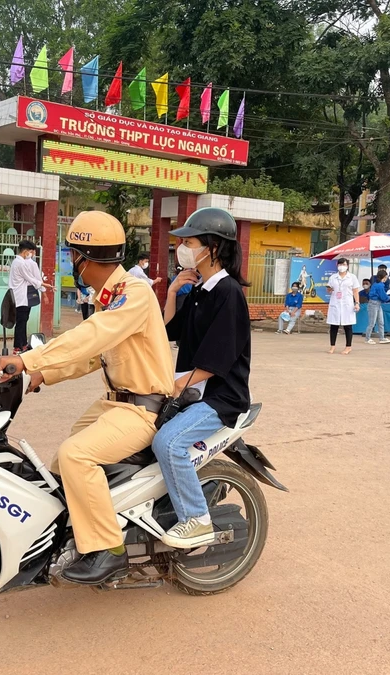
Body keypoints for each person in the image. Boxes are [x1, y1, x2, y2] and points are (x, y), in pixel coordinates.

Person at [0, 212, 174, 585]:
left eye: (72, 254)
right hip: (115, 403)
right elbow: (96, 355)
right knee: (61, 460)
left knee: (78, 456)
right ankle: (73, 535)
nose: (71, 261)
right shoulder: (110, 297)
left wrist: (27, 358)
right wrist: (45, 373)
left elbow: (91, 336)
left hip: (142, 409)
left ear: (84, 258)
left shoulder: (134, 294)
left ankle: (109, 551)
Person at [154, 207, 251, 548]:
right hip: (193, 390)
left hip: (218, 398)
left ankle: (196, 519)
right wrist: (170, 293)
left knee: (167, 442)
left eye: (189, 242)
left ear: (212, 247)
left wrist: (178, 386)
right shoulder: (199, 290)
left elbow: (218, 358)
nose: (183, 249)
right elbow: (166, 330)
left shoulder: (229, 293)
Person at [8, 241, 51, 354]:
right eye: (31, 251)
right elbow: (30, 278)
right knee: (21, 322)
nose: (31, 254)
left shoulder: (17, 262)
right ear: (26, 251)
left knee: (23, 321)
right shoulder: (20, 263)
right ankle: (18, 346)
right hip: (20, 297)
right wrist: (43, 285)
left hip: (20, 296)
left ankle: (23, 344)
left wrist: (41, 285)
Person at [326, 257, 360, 354]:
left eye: (344, 265)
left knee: (347, 326)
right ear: (337, 265)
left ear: (347, 266)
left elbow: (355, 291)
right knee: (334, 325)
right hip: (335, 303)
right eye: (340, 265)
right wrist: (329, 290)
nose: (342, 267)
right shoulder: (333, 277)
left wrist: (357, 303)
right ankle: (332, 346)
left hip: (347, 304)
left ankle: (348, 346)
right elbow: (329, 289)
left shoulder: (352, 277)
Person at [365, 270, 390, 344]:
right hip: (374, 304)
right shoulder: (380, 285)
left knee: (380, 322)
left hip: (376, 304)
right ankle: (368, 339)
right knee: (372, 323)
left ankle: (382, 338)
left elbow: (382, 296)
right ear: (383, 277)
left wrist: (388, 297)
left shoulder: (376, 284)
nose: (386, 278)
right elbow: (383, 297)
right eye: (386, 277)